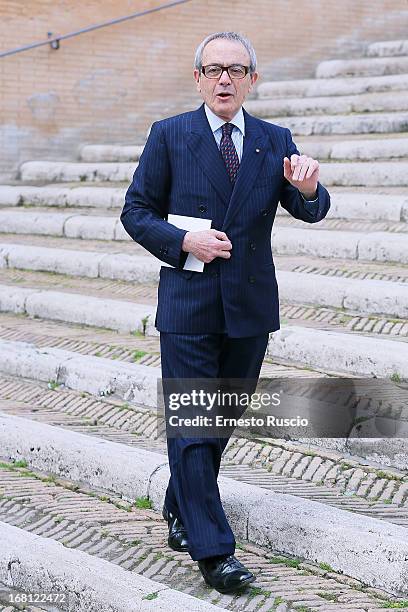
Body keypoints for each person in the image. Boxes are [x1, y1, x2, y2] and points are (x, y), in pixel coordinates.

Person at [120, 31, 331, 594]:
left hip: (250, 305)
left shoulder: (272, 138)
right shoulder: (170, 136)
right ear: (197, 78)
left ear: (252, 80)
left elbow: (309, 206)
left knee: (219, 422)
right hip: (188, 303)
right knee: (192, 421)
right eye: (214, 69)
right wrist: (183, 243)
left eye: (236, 70)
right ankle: (214, 551)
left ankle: (179, 504)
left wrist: (309, 190)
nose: (225, 79)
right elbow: (136, 211)